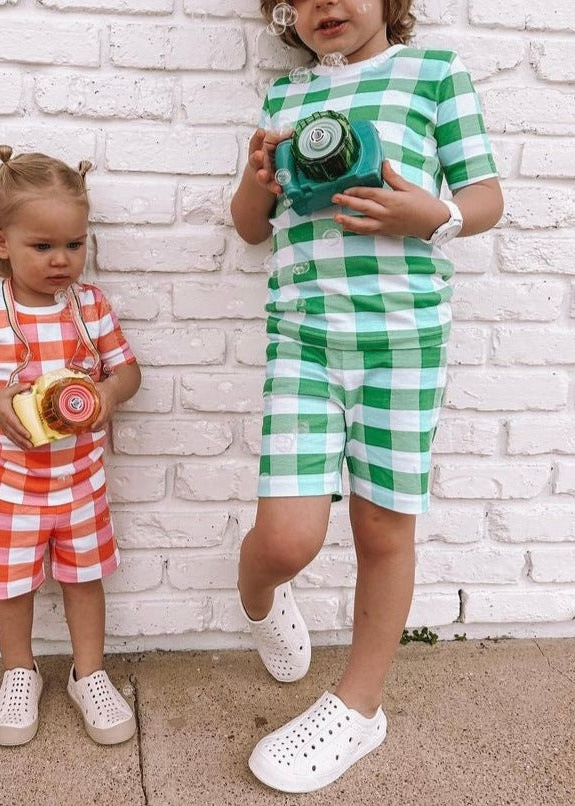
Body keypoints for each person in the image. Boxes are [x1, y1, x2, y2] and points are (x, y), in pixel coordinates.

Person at [231, 0, 503, 793]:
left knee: (384, 528)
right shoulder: (286, 100)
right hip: (304, 340)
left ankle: (359, 706)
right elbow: (253, 228)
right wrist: (255, 184)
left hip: (406, 340)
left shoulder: (433, 73)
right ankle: (256, 594)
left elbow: (486, 197)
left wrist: (434, 214)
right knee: (286, 540)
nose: (321, 5)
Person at [0, 147, 142, 748]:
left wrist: (105, 395)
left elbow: (128, 372)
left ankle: (88, 673)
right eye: (42, 247)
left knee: (84, 578)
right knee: (11, 583)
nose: (61, 260)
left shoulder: (90, 306)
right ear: (0, 241)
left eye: (74, 245)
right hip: (13, 489)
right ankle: (19, 672)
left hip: (82, 486)